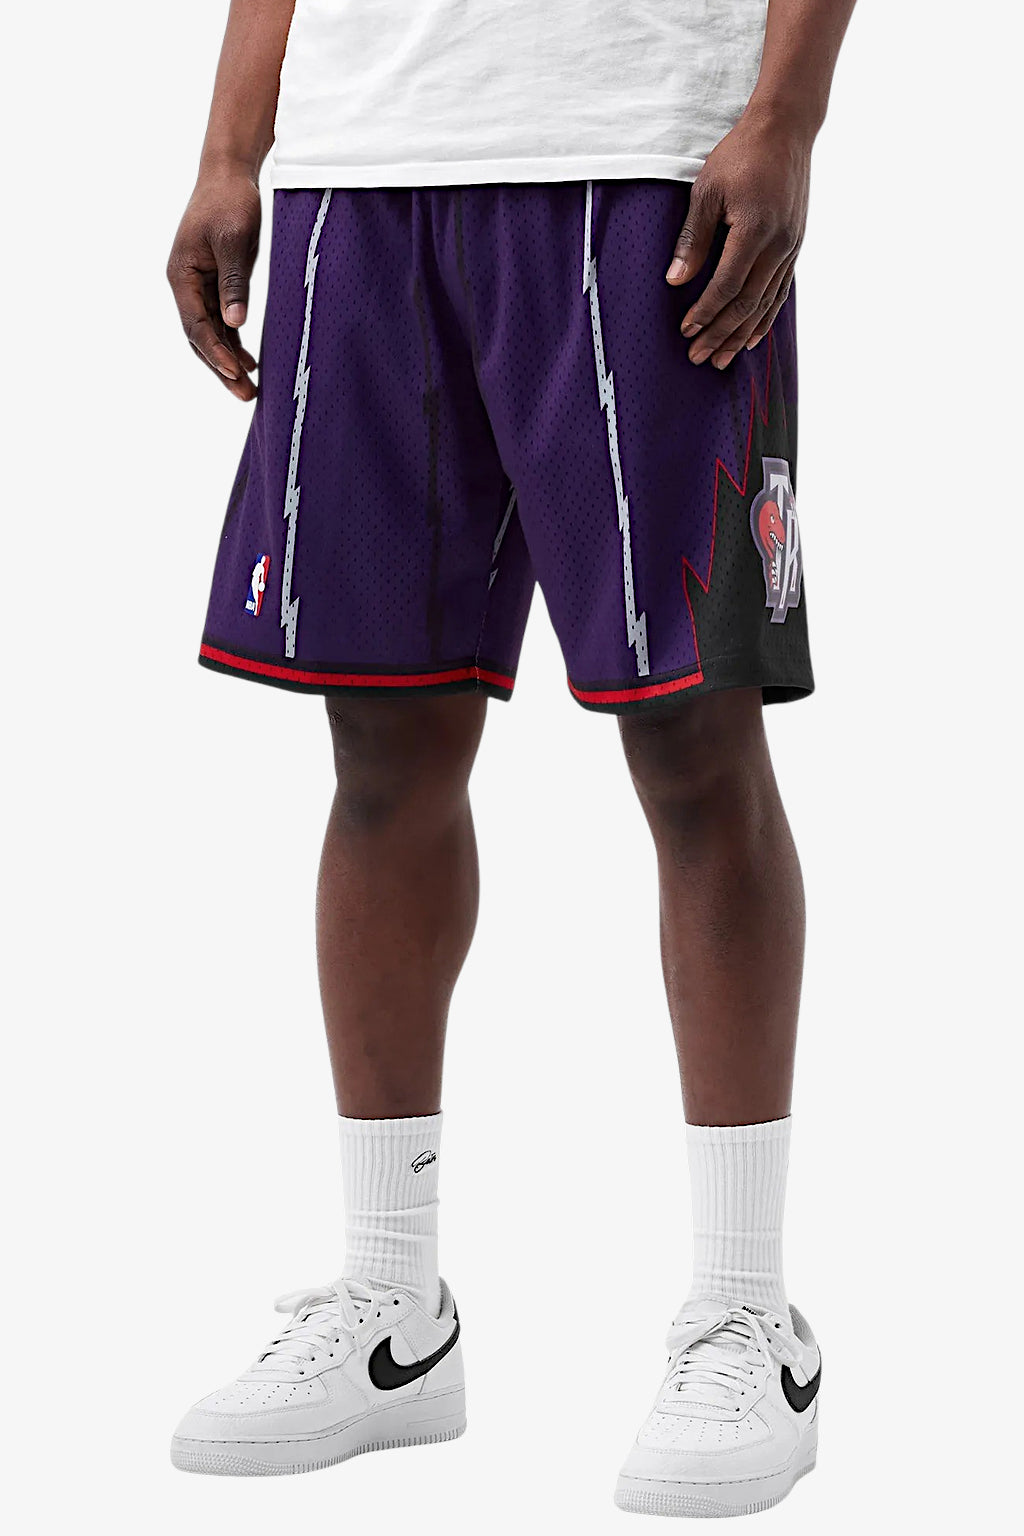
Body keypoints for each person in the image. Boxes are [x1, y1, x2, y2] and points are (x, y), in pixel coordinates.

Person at [167, 0, 855, 1515]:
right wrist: (231, 149)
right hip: (364, 166)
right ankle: (391, 1309)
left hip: (643, 155)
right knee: (382, 742)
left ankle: (748, 1312)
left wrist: (786, 116)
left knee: (693, 734)